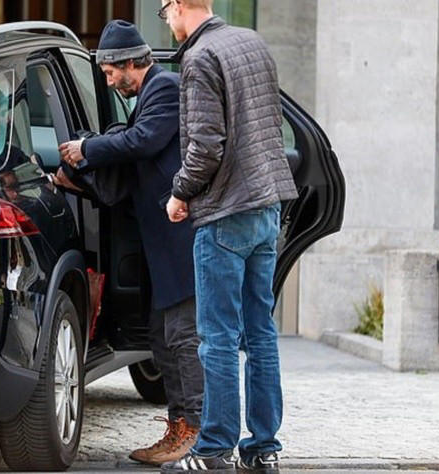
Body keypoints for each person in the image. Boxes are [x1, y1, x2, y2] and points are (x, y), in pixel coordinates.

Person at [56, 20, 204, 467]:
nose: (108, 80)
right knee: (163, 338)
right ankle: (179, 425)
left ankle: (193, 430)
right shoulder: (151, 94)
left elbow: (142, 141)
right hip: (163, 243)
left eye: (107, 73)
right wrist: (78, 178)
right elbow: (136, 162)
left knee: (182, 339)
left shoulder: (165, 88)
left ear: (125, 64)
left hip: (181, 238)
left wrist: (86, 148)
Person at [159, 0, 299, 472]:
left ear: (179, 5)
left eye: (164, 11)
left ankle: (214, 448)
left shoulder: (200, 58)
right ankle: (263, 449)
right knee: (260, 333)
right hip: (267, 206)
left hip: (225, 213)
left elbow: (206, 146)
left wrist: (179, 195)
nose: (168, 21)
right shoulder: (251, 42)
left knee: (216, 337)